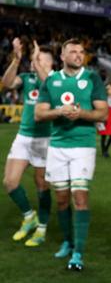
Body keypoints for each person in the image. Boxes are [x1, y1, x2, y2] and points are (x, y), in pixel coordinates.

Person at [34, 39, 108, 271]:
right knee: (62, 199)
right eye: (73, 52)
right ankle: (68, 241)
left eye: (81, 52)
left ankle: (78, 254)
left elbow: (103, 113)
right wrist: (60, 111)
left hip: (82, 147)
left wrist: (81, 114)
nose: (78, 55)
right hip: (57, 146)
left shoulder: (92, 78)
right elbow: (38, 113)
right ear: (62, 56)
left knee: (80, 198)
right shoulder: (52, 81)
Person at [2, 38, 54, 246]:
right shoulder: (26, 77)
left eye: (41, 59)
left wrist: (37, 62)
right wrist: (16, 60)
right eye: (35, 58)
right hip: (23, 137)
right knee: (10, 182)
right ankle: (29, 215)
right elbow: (6, 83)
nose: (36, 61)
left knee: (42, 185)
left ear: (50, 64)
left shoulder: (56, 80)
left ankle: (41, 228)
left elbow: (48, 86)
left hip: (45, 140)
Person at [98, 82, 111, 158]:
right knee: (104, 135)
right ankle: (104, 151)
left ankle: (106, 149)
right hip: (104, 118)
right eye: (109, 89)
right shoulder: (103, 98)